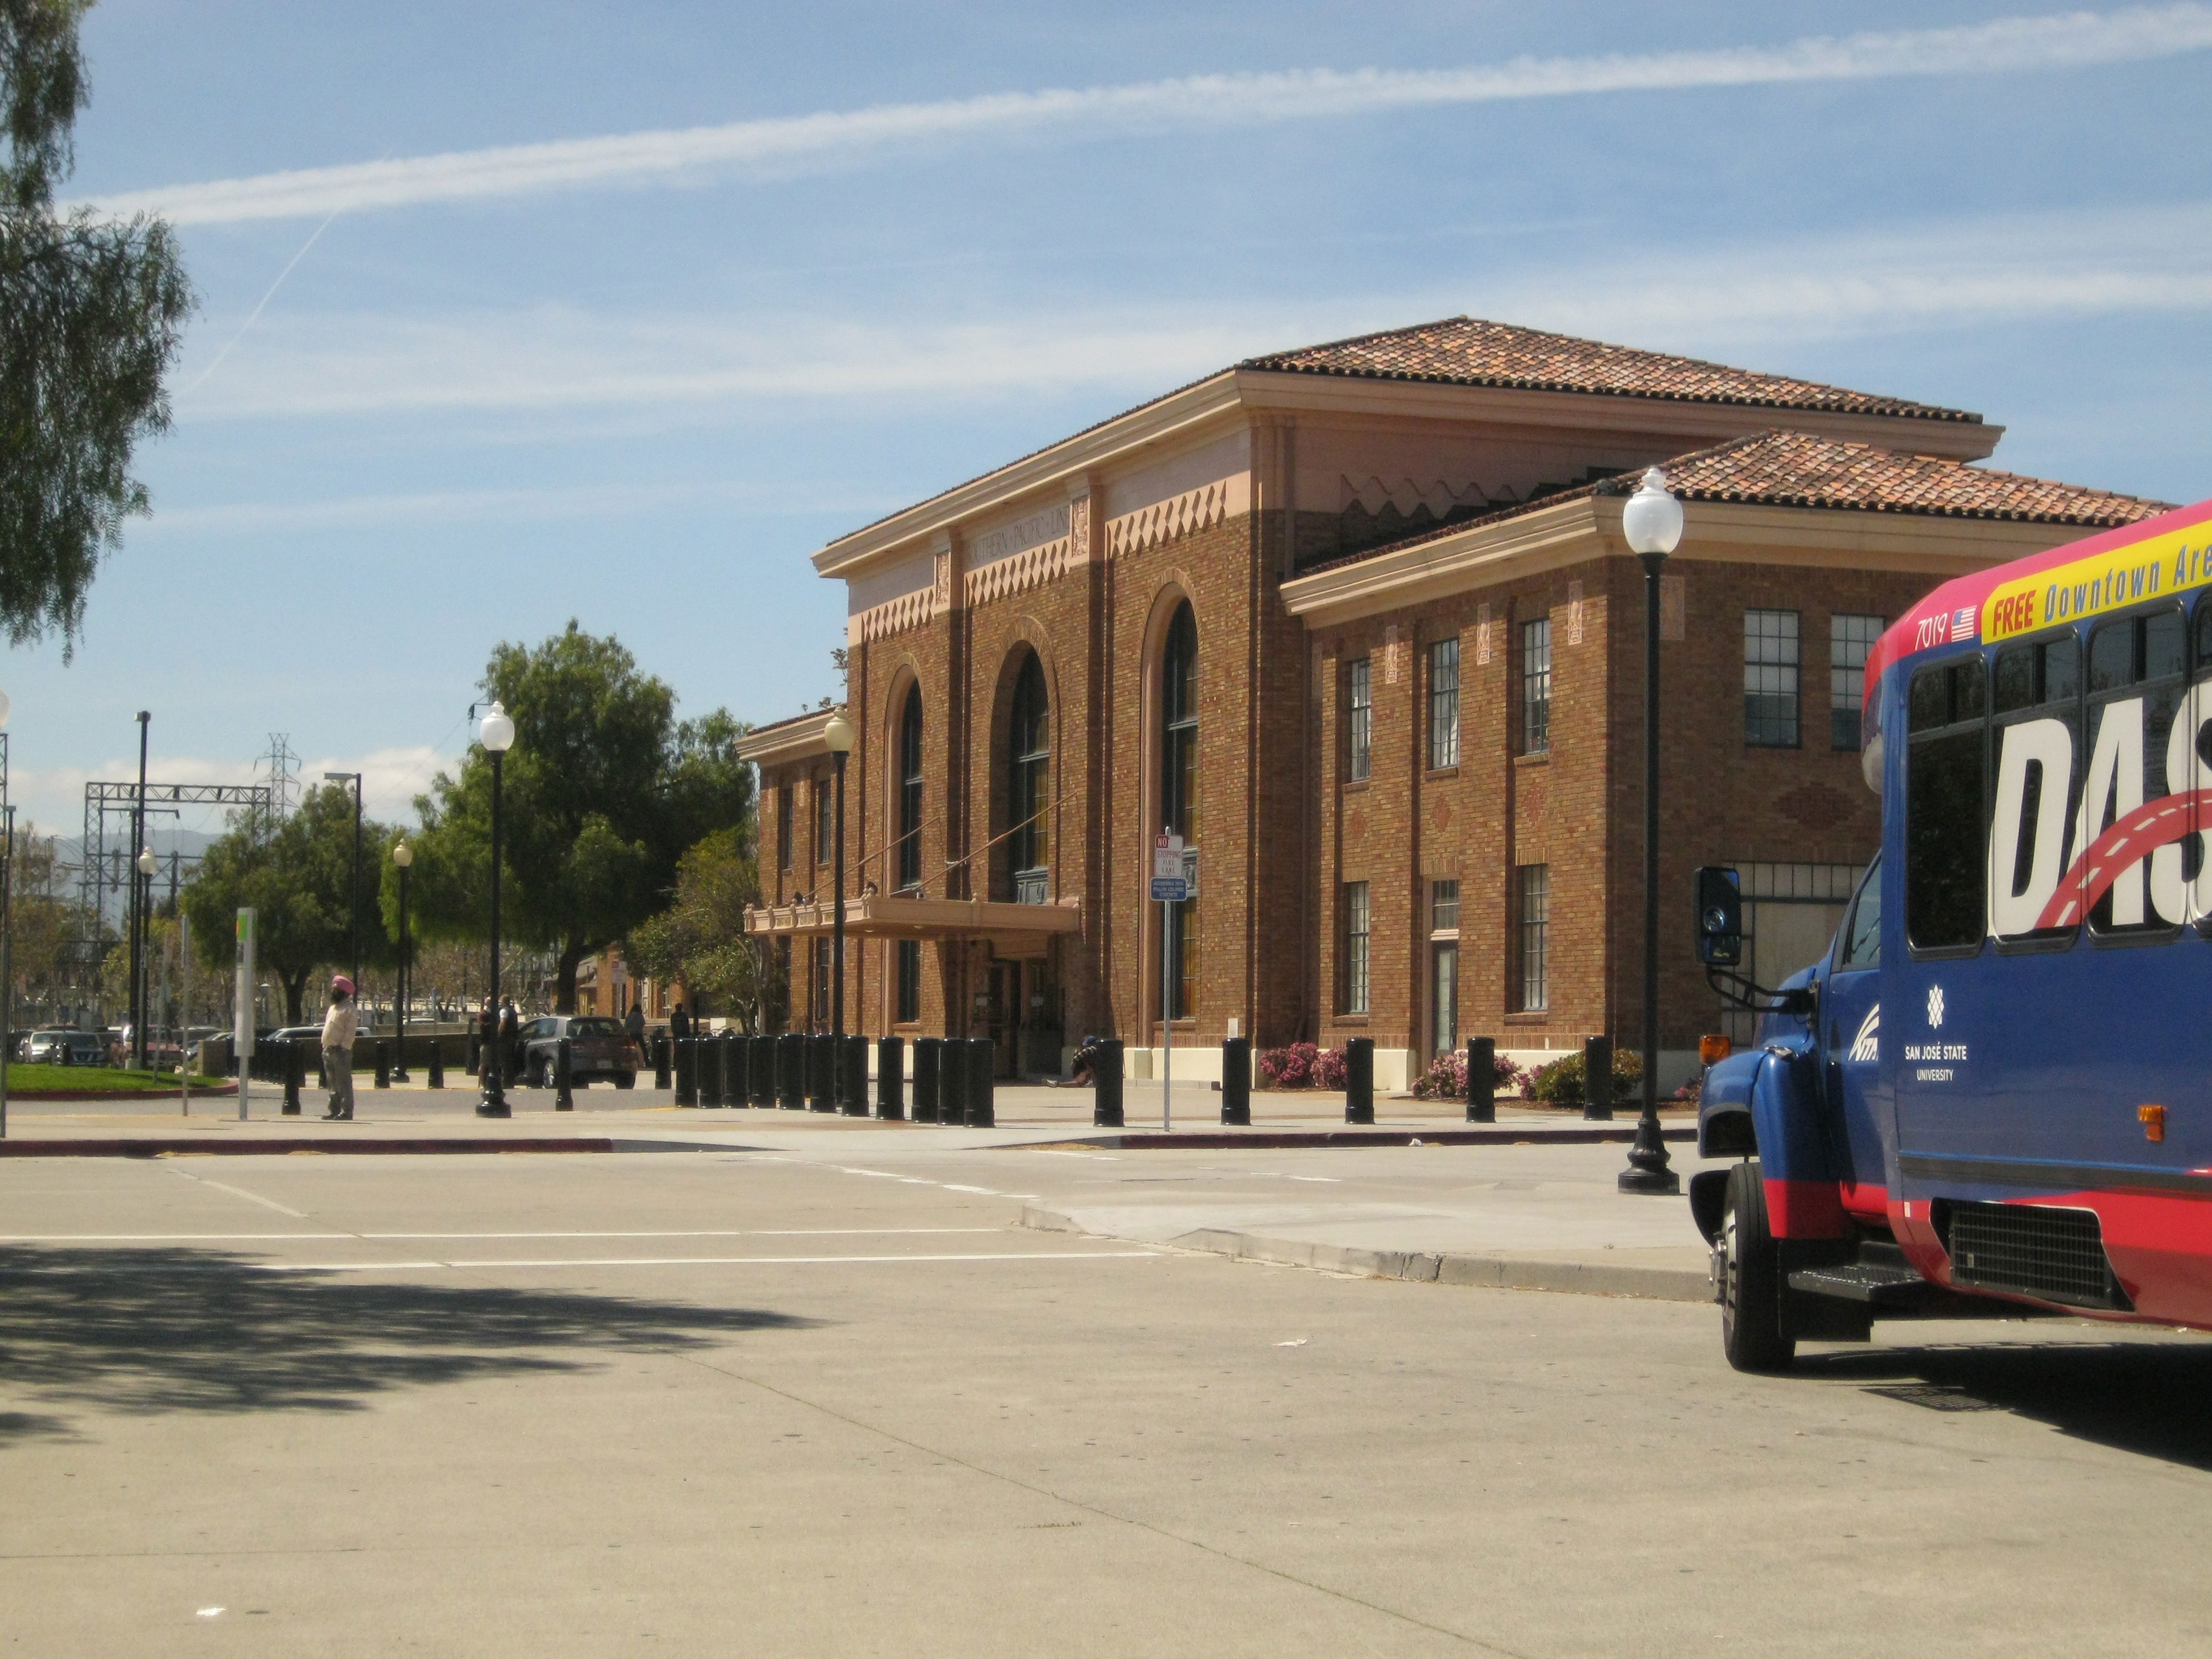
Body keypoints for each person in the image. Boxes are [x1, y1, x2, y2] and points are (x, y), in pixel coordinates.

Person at [321, 976, 358, 1121]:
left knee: (343, 1083)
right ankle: (334, 1110)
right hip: (328, 1049)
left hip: (340, 1051)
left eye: (336, 990)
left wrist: (343, 1047)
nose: (333, 991)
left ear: (343, 992)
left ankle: (346, 1111)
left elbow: (350, 1031)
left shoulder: (350, 1009)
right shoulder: (333, 1008)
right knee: (332, 1082)